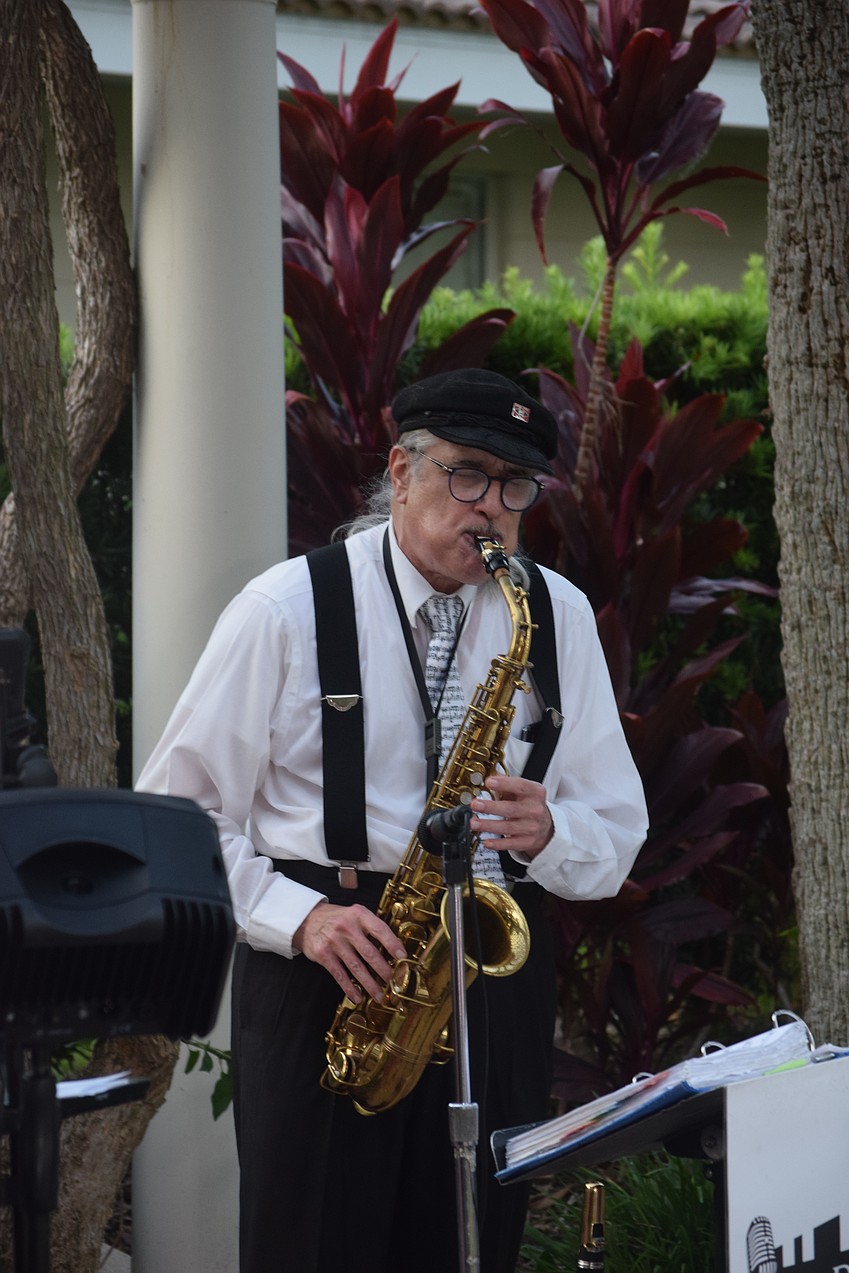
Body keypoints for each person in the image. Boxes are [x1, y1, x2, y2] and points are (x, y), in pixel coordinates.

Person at [136, 367, 648, 1273]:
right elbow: (171, 820)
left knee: (473, 1246)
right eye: (467, 474)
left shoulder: (555, 614)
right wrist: (301, 919)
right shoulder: (283, 609)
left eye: (514, 486)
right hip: (332, 966)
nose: (490, 507)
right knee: (314, 1244)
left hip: (493, 971)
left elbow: (616, 825)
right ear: (400, 471)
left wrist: (553, 832)